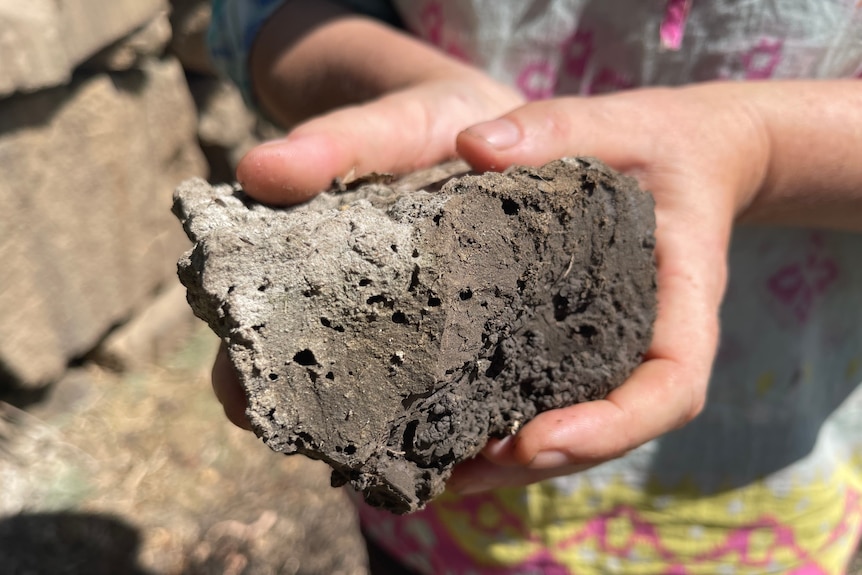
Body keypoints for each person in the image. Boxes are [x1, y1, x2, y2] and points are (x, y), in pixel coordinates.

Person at [206, 1, 862, 573]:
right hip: (441, 514)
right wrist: (412, 81)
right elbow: (262, 11)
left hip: (757, 500)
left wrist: (761, 148)